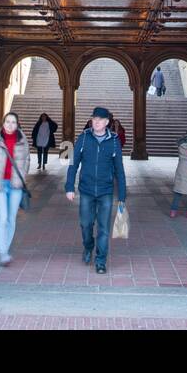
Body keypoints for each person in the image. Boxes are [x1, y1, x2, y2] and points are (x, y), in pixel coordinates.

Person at [65, 106, 127, 274]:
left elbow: (119, 169)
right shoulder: (84, 138)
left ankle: (100, 260)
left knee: (104, 228)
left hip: (105, 191)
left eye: (100, 119)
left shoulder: (114, 141)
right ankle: (88, 246)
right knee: (85, 224)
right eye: (94, 119)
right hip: (86, 190)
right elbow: (73, 163)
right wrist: (69, 186)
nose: (96, 122)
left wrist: (122, 194)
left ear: (107, 122)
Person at [0, 112, 30, 266]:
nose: (10, 125)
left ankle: (5, 248)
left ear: (18, 125)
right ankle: (2, 252)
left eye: (13, 122)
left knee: (11, 219)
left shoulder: (23, 142)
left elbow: (27, 160)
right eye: (8, 122)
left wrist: (23, 175)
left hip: (16, 185)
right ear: (3, 124)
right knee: (2, 218)